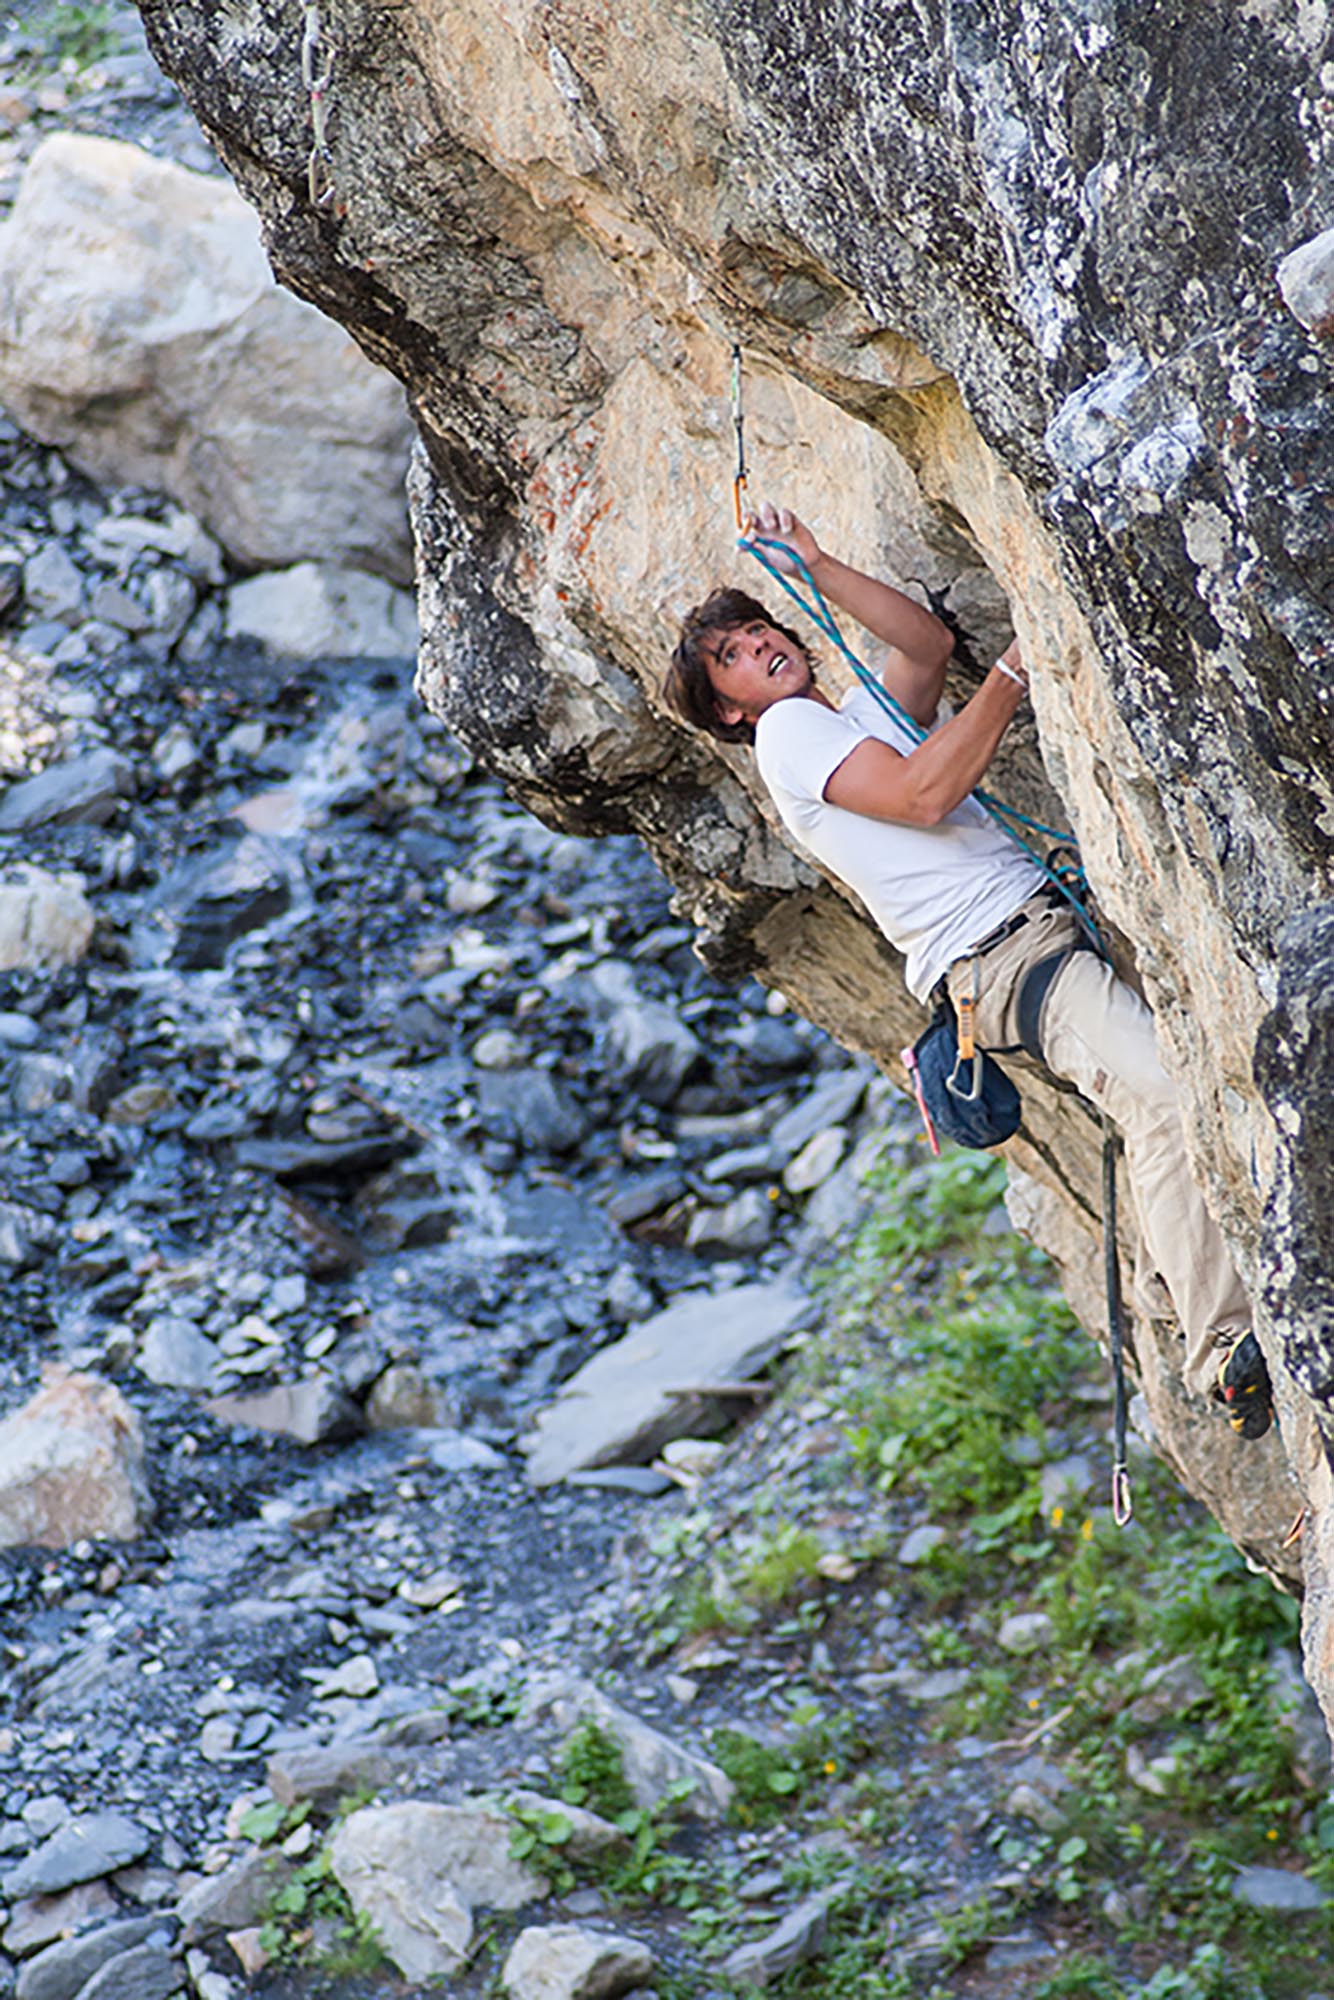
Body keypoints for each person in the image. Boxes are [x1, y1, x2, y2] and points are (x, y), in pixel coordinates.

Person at [664, 501, 1273, 1440]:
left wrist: (818, 562)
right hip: (998, 956)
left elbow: (924, 645)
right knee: (1155, 1091)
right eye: (733, 658)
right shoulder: (787, 740)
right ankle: (1219, 1345)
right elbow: (925, 792)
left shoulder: (851, 718)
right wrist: (1010, 679)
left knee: (1153, 1089)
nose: (756, 647)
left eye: (756, 630)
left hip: (1020, 942)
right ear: (731, 711)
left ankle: (1164, 1283)